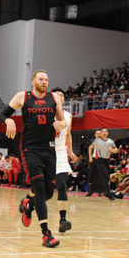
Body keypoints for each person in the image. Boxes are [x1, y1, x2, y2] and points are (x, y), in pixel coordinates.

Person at [0, 70, 65, 247]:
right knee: (40, 189)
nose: (44, 82)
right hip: (30, 149)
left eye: (46, 79)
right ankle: (46, 235)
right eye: (41, 79)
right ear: (33, 82)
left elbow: (63, 120)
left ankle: (28, 203)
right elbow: (2, 114)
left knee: (49, 192)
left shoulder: (54, 98)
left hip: (49, 149)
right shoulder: (23, 97)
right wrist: (9, 121)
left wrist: (61, 124)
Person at [52, 89, 78, 233]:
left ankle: (63, 220)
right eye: (56, 95)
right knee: (43, 189)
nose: (59, 97)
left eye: (62, 95)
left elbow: (68, 134)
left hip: (61, 153)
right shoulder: (46, 114)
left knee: (61, 184)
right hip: (47, 152)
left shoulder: (68, 116)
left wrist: (71, 151)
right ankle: (28, 203)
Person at [89, 128, 118, 199]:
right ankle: (109, 194)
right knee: (105, 176)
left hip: (107, 160)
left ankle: (92, 186)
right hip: (99, 160)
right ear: (101, 133)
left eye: (105, 131)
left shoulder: (111, 141)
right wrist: (90, 156)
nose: (104, 133)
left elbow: (116, 150)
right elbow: (90, 147)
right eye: (103, 132)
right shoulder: (96, 141)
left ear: (107, 133)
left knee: (103, 177)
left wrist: (112, 150)